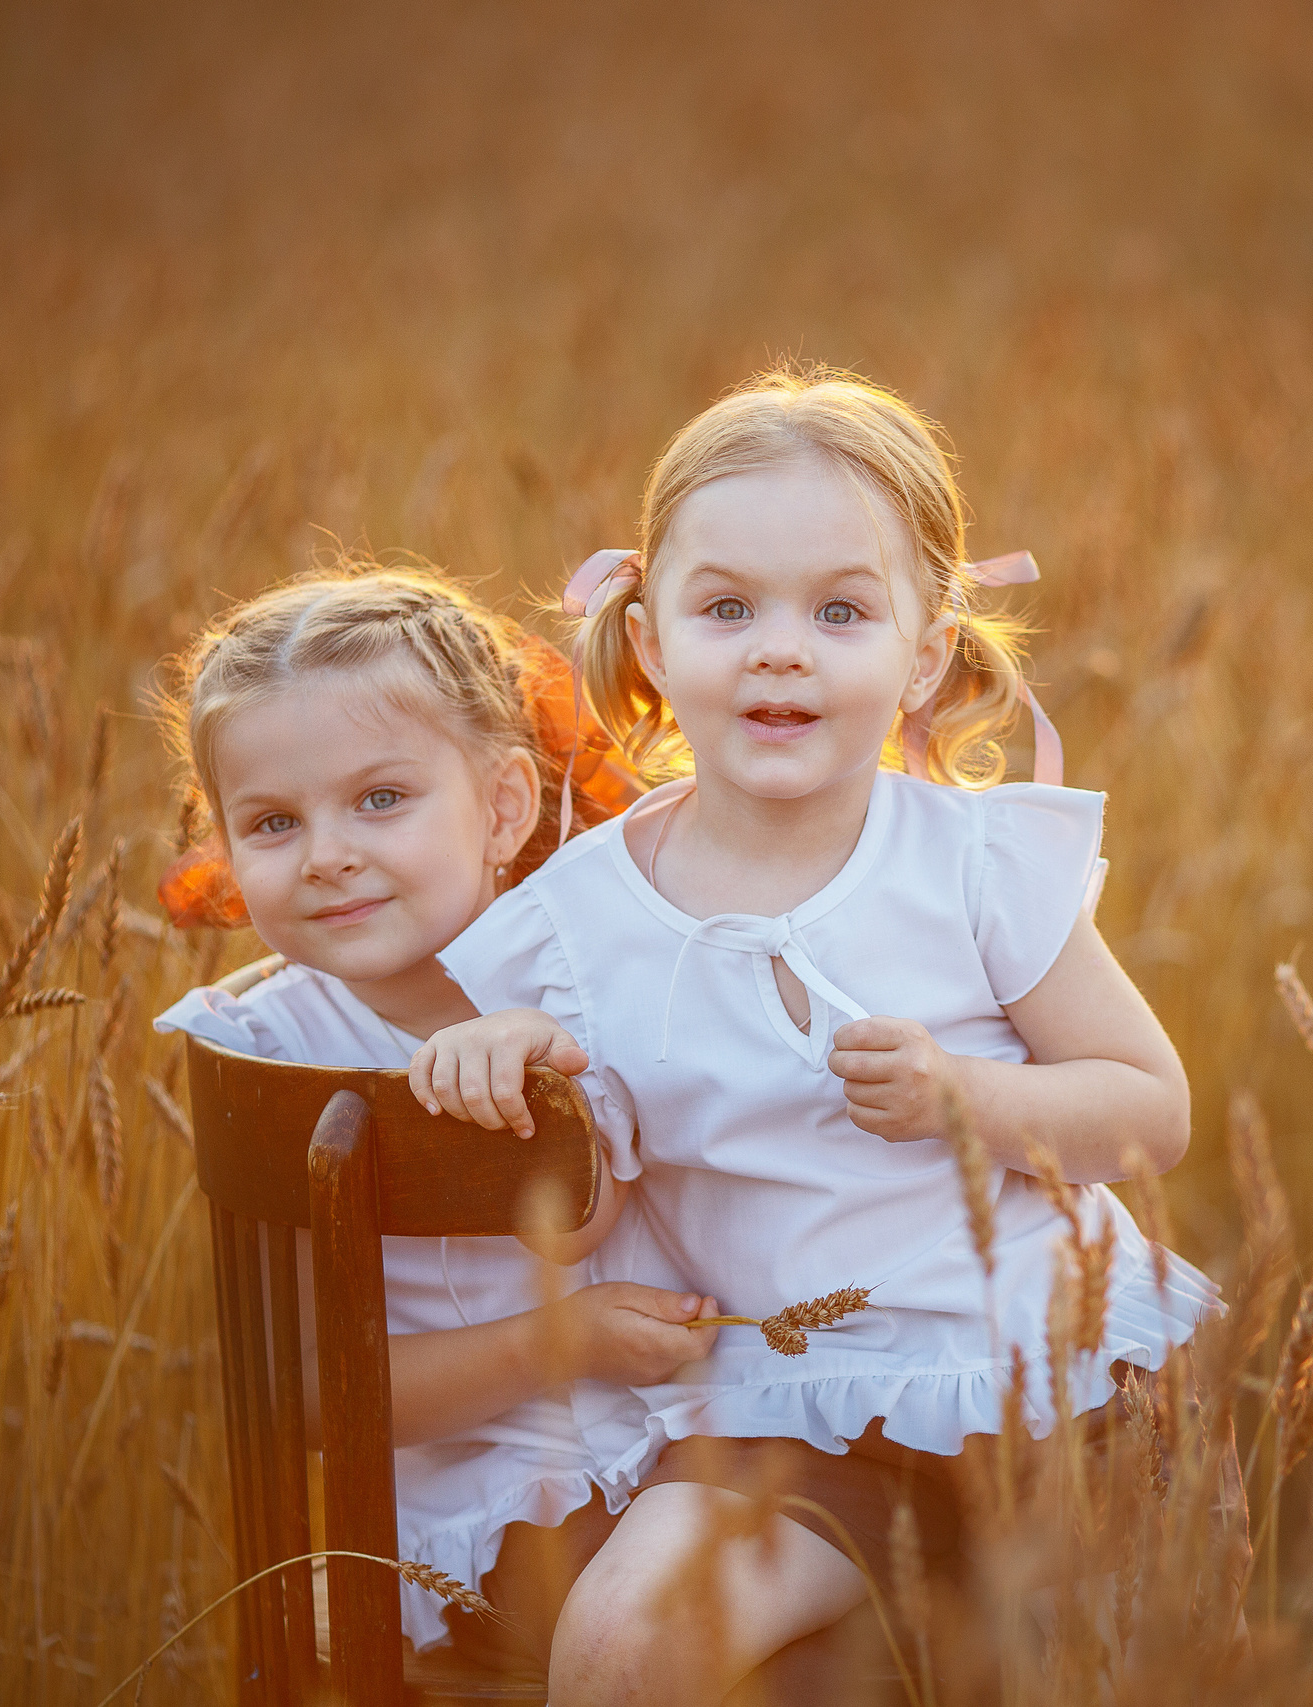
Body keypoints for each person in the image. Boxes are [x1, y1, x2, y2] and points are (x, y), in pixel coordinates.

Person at [415, 369, 1221, 1704]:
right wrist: (502, 1063)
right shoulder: (572, 920)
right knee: (622, 1641)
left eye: (839, 610)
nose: (779, 647)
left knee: (1048, 1669)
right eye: (727, 606)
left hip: (1049, 1387)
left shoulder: (970, 863)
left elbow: (1152, 1110)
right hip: (784, 1406)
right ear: (654, 641)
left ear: (922, 651)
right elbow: (593, 1200)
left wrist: (969, 1098)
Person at [147, 561, 717, 1668]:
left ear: (503, 805)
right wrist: (568, 1342)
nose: (328, 855)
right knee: (681, 1637)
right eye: (271, 823)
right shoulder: (270, 1053)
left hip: (692, 1435)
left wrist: (549, 1060)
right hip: (491, 1503)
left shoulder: (594, 975)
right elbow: (314, 1394)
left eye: (380, 799)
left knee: (883, 1565)